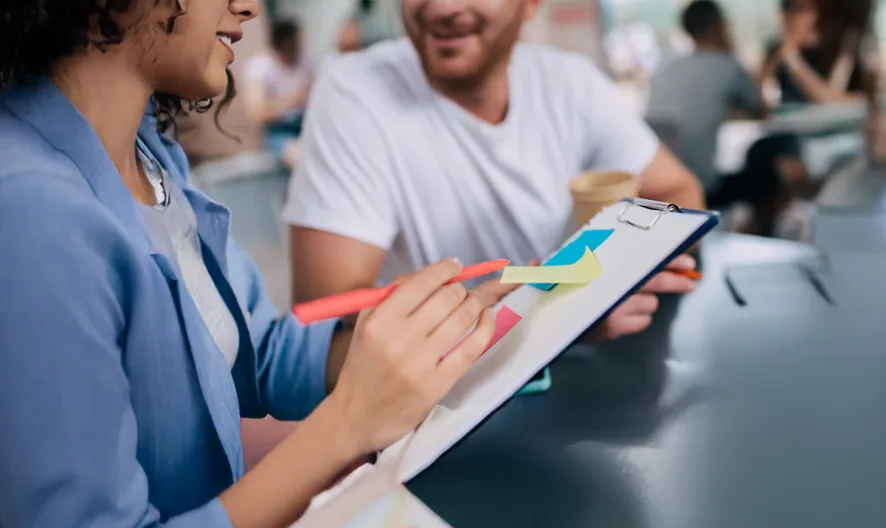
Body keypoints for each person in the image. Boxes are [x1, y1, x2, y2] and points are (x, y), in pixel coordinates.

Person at [0, 1, 501, 526]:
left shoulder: (148, 157)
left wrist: (434, 329)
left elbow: (244, 346)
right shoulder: (30, 217)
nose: (249, 6)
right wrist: (351, 420)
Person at [285, 0, 705, 342]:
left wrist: (630, 266)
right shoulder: (355, 93)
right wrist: (555, 314)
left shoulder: (569, 82)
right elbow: (331, 316)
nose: (442, 7)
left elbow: (677, 188)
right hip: (442, 406)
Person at [647, 0, 765, 192]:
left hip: (659, 182)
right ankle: (755, 223)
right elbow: (761, 111)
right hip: (702, 184)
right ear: (721, 26)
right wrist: (731, 50)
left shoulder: (664, 67)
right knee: (772, 173)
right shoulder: (727, 66)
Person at [761, 0, 868, 105]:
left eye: (799, 9)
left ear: (814, 13)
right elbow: (759, 100)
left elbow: (830, 101)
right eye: (786, 6)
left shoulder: (839, 49)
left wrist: (794, 62)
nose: (789, 16)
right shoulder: (776, 50)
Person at [243, 19, 313, 169]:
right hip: (278, 132)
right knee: (299, 156)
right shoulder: (260, 66)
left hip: (305, 125)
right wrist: (291, 100)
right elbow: (256, 114)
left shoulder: (304, 62)